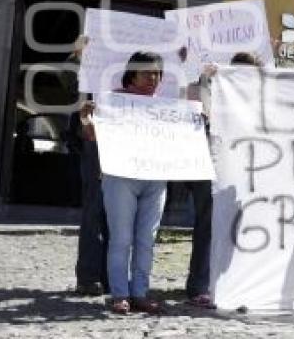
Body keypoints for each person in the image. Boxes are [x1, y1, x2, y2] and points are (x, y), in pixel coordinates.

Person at [81, 51, 168, 315]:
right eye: (146, 72)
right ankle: (120, 294)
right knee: (121, 238)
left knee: (146, 240)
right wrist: (86, 119)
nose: (152, 77)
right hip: (120, 178)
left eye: (157, 73)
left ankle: (140, 293)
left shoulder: (168, 108)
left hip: (155, 179)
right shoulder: (113, 101)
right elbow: (93, 136)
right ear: (133, 73)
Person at [184, 51, 262, 309]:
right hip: (211, 167)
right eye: (236, 74)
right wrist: (207, 78)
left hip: (244, 170)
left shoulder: (260, 99)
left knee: (240, 226)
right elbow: (198, 107)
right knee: (208, 224)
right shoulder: (211, 89)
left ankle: (231, 283)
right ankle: (199, 286)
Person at [65, 36, 110, 297]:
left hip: (127, 140)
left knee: (118, 215)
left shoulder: (128, 70)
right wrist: (77, 54)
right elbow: (66, 83)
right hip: (92, 139)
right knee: (94, 208)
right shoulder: (86, 68)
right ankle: (88, 276)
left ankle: (110, 276)